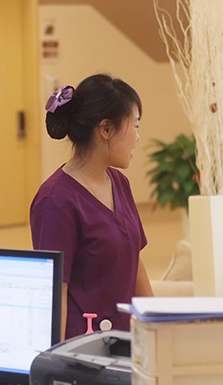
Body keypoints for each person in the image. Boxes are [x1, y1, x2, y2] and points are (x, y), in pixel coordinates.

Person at [30, 74, 154, 341]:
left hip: (127, 341)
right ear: (106, 129)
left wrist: (159, 326)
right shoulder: (55, 201)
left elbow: (135, 263)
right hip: (85, 350)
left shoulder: (119, 183)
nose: (137, 137)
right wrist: (55, 366)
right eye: (134, 126)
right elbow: (55, 293)